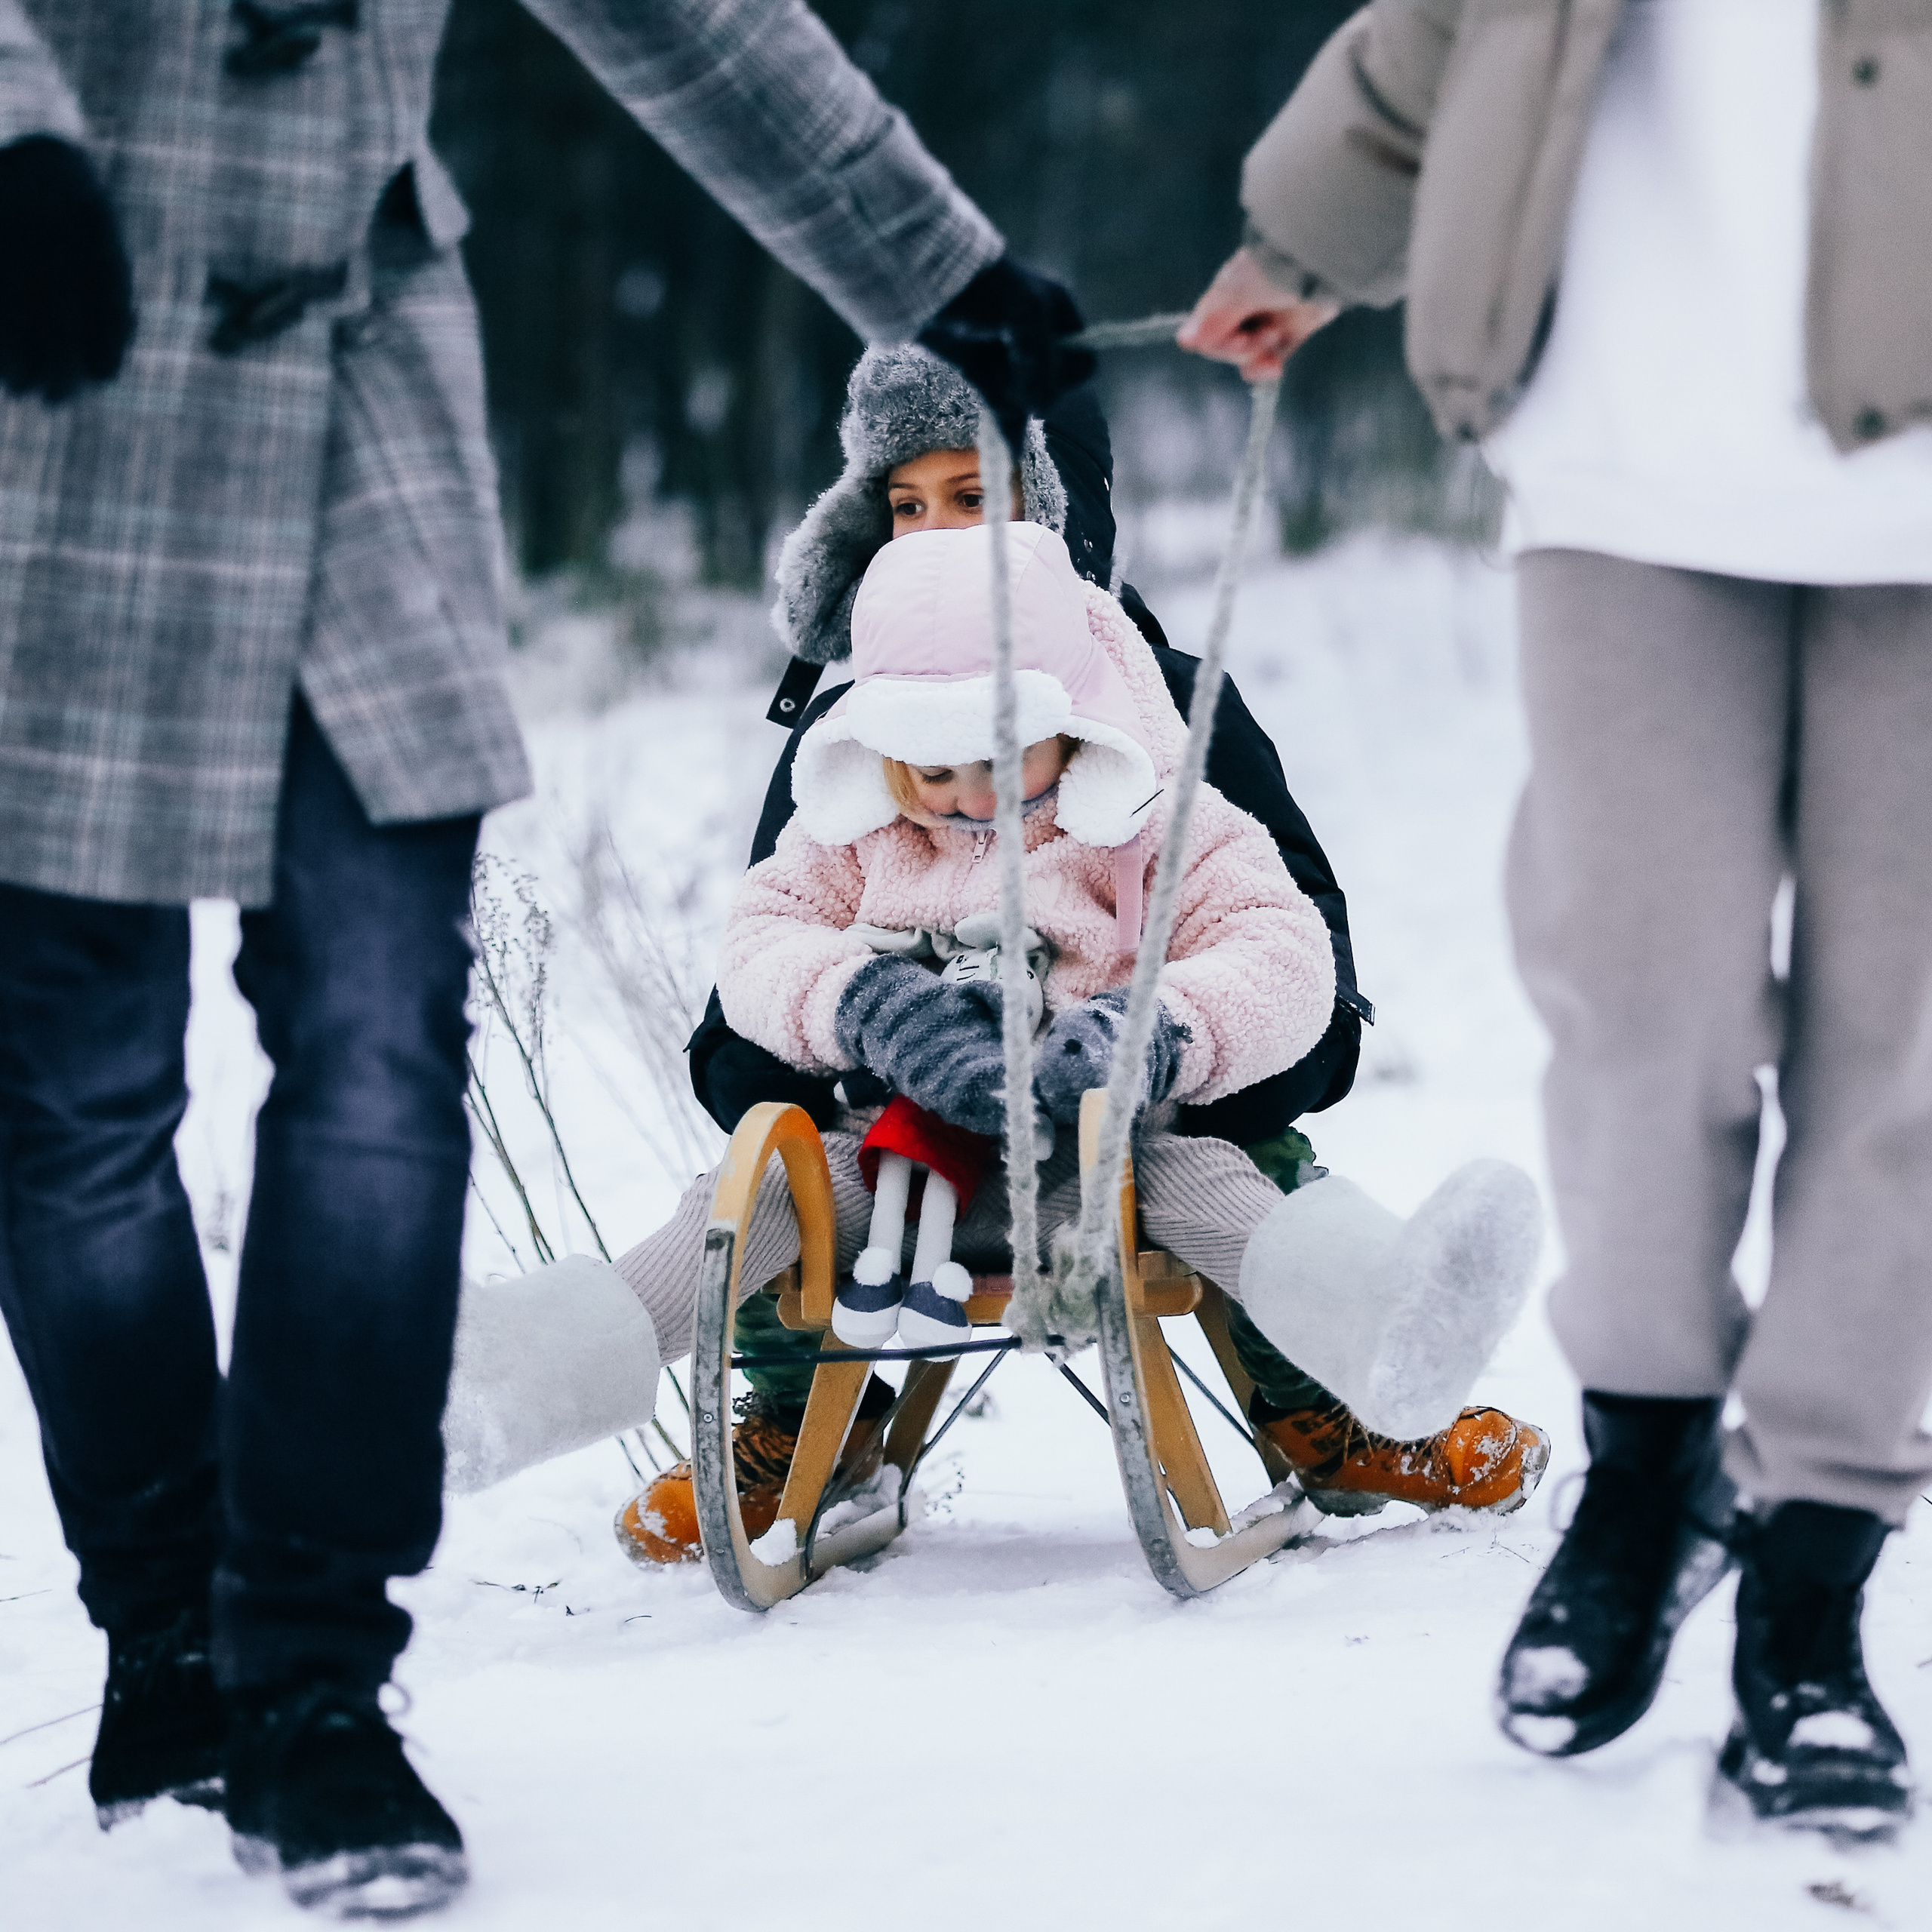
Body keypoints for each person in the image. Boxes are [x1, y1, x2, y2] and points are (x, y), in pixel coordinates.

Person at [0, 2, 1091, 1915]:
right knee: (82, 1094)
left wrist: (945, 269)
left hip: (350, 375)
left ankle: (316, 1668)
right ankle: (168, 1636)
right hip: (49, 339)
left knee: (374, 1040)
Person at [1183, 0, 1932, 1835]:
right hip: (1621, 452)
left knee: (1902, 1054)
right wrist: (1304, 239)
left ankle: (1812, 1573)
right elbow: (1444, 26)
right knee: (1630, 996)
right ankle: (1650, 1462)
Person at [446, 518, 1550, 1564]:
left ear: (1071, 718)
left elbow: (1279, 944)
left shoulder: (1154, 818)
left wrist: (1152, 1030)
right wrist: (861, 1003)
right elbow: (761, 938)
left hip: (1102, 1174)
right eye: (933, 770)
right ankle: (518, 1378)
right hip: (893, 1167)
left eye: (1000, 756)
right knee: (747, 1193)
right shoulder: (855, 832)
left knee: (1222, 1183)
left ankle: (1383, 1336)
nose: (968, 796)